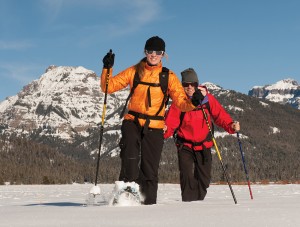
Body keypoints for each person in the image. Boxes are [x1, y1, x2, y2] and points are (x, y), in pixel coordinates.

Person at [100, 36, 200, 205]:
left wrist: (193, 102)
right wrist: (107, 68)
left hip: (155, 125)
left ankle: (148, 206)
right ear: (145, 52)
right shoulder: (134, 71)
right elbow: (108, 87)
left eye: (158, 52)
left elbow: (181, 102)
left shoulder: (168, 77)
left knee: (150, 169)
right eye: (150, 51)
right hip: (133, 120)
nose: (154, 55)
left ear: (163, 54)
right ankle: (124, 197)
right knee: (130, 157)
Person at [164, 68, 240, 202]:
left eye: (192, 84)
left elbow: (220, 116)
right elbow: (171, 122)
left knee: (204, 180)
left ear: (196, 84)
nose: (189, 87)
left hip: (204, 145)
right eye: (186, 84)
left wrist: (231, 126)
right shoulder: (180, 101)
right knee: (186, 177)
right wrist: (163, 131)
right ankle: (188, 205)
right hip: (185, 145)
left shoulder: (207, 99)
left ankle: (198, 204)